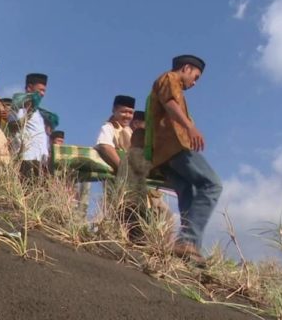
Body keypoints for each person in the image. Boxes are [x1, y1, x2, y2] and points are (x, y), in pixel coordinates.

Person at [146, 54, 221, 265]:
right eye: (195, 77)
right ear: (186, 68)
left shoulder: (174, 87)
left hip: (164, 156)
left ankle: (188, 253)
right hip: (174, 148)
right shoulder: (169, 78)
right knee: (212, 184)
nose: (194, 83)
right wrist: (190, 127)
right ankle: (187, 242)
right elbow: (170, 103)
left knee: (189, 194)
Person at [12, 73, 51, 182]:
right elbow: (15, 127)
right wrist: (28, 112)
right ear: (29, 88)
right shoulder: (22, 105)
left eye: (44, 91)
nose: (42, 94)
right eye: (40, 90)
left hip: (39, 162)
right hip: (27, 160)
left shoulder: (38, 112)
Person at [94, 95, 136, 173]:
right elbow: (105, 146)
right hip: (117, 178)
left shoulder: (130, 132)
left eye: (130, 113)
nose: (127, 116)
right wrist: (124, 170)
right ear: (114, 110)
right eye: (123, 112)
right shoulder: (108, 127)